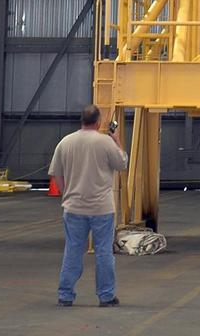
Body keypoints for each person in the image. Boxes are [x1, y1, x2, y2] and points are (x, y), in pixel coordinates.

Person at [48, 105, 129, 308]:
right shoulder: (104, 143)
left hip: (74, 207)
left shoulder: (65, 142)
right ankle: (106, 296)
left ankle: (65, 295)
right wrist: (117, 140)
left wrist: (67, 193)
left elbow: (56, 173)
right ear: (98, 122)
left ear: (82, 120)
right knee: (103, 253)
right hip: (101, 208)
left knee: (72, 251)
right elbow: (122, 164)